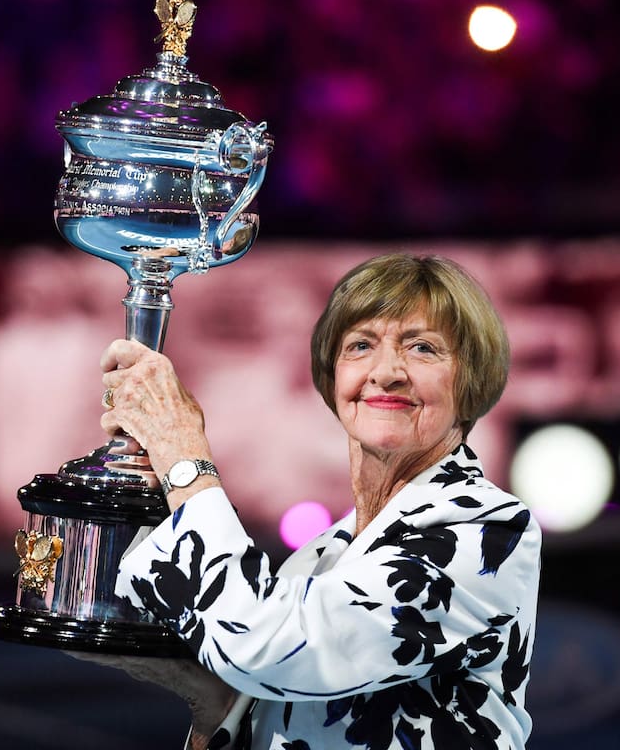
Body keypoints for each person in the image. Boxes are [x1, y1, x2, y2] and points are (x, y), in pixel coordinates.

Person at [78, 253, 542, 749]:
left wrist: (181, 451)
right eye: (360, 345)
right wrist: (217, 703)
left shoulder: (486, 530)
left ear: (470, 380)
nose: (386, 372)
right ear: (330, 375)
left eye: (423, 348)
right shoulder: (324, 555)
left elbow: (267, 645)